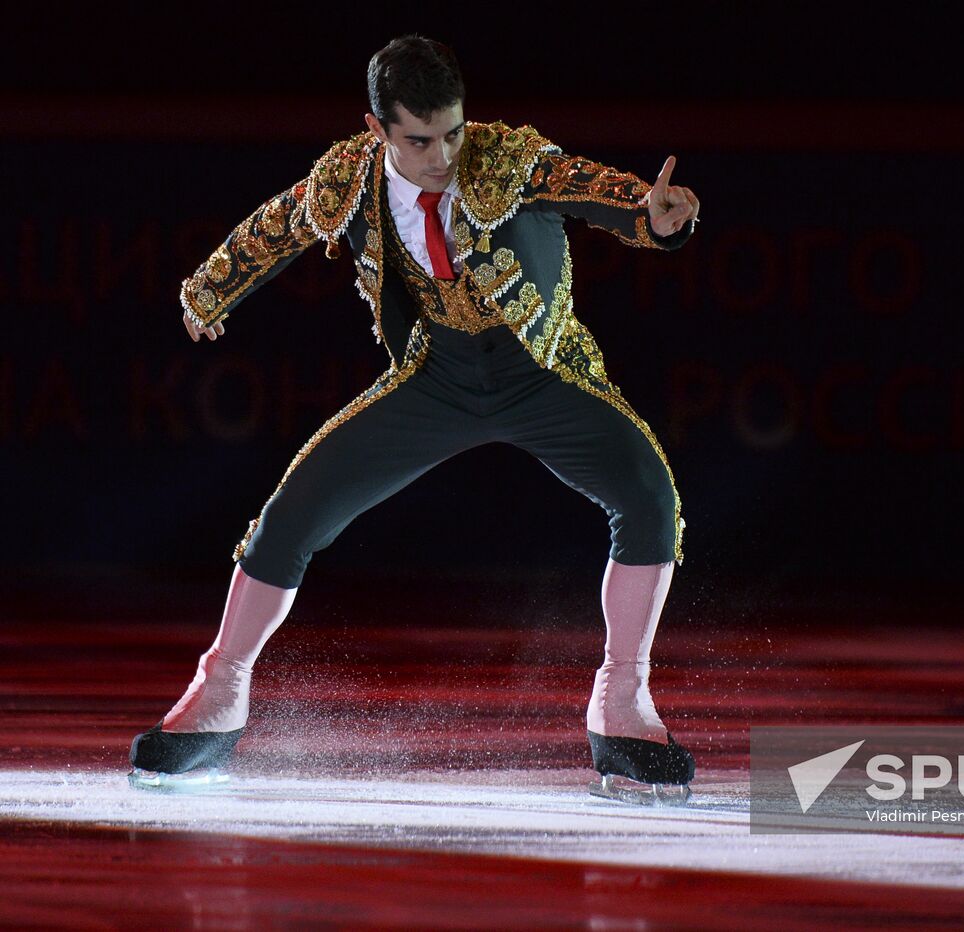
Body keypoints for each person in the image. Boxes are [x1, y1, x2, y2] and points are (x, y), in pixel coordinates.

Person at [128, 34, 700, 802]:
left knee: (649, 495)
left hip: (542, 373)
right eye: (420, 140)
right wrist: (212, 287)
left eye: (454, 133)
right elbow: (281, 224)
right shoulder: (349, 178)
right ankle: (220, 688)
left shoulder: (507, 157)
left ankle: (622, 701)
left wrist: (653, 216)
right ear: (378, 130)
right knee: (292, 512)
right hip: (437, 377)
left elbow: (584, 185)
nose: (443, 156)